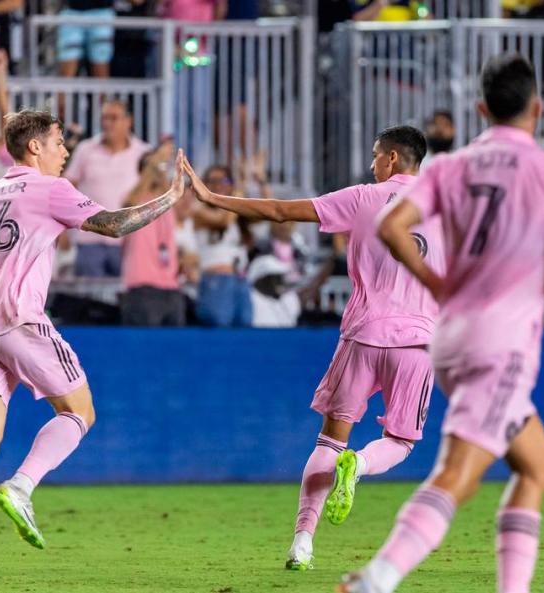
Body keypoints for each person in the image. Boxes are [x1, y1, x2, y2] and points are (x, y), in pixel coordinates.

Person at [339, 54, 544, 593]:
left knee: (535, 465)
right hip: (501, 345)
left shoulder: (449, 167)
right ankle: (376, 578)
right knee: (458, 473)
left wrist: (439, 285)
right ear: (538, 108)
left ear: (481, 108)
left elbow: (396, 228)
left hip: (451, 339)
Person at [185, 126, 446, 570]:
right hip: (418, 343)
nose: (371, 164)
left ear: (395, 160)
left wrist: (214, 197)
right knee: (400, 441)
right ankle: (360, 467)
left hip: (362, 335)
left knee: (329, 441)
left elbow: (281, 212)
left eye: (376, 156)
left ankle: (302, 543)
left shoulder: (363, 197)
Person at [0, 109, 187, 550]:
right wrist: (171, 195)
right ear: (35, 147)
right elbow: (113, 225)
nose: (65, 150)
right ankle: (20, 487)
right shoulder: (50, 188)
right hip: (18, 318)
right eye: (58, 142)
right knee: (79, 411)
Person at [66, 100, 149, 277]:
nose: (107, 123)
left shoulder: (143, 152)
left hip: (129, 239)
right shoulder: (85, 149)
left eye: (114, 118)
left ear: (129, 121)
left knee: (127, 300)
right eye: (104, 118)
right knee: (89, 300)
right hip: (90, 238)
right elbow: (67, 188)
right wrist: (63, 229)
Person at [120, 138, 186, 326]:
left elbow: (175, 198)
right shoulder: (133, 196)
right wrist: (153, 165)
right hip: (142, 286)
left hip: (172, 287)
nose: (158, 169)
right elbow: (127, 206)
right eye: (152, 166)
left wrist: (161, 166)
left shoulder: (168, 198)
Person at [191, 164, 252, 327]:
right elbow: (223, 220)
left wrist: (260, 181)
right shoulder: (197, 210)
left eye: (223, 180)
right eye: (212, 181)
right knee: (218, 331)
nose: (218, 185)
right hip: (216, 280)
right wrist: (240, 190)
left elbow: (271, 216)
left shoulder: (237, 217)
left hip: (240, 279)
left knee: (245, 331)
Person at [57, 0, 116, 78]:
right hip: (71, 11)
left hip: (102, 12)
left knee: (101, 66)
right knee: (67, 67)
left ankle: (102, 89)